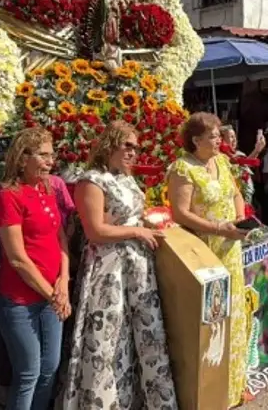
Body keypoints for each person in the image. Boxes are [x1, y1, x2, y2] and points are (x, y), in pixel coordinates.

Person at [63, 121, 177, 409]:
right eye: (126, 145)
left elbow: (131, 217)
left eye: (136, 148)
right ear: (109, 143)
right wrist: (137, 231)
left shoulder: (126, 179)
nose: (132, 152)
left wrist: (151, 222)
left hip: (138, 266)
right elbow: (95, 232)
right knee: (107, 339)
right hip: (108, 269)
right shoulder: (91, 180)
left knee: (142, 334)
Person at [166, 112, 248, 408]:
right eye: (214, 136)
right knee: (212, 321)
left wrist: (240, 218)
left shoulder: (222, 162)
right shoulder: (183, 169)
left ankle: (231, 389)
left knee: (234, 313)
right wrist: (217, 228)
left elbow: (236, 194)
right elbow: (180, 213)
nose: (220, 140)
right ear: (196, 140)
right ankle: (208, 393)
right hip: (204, 249)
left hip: (231, 247)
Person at [0, 127, 70, 410]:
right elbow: (17, 258)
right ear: (23, 158)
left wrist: (64, 283)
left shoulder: (46, 189)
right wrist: (53, 294)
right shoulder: (8, 195)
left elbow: (60, 239)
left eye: (52, 155)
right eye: (44, 155)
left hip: (51, 298)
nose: (51, 161)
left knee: (49, 369)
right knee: (28, 373)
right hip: (20, 301)